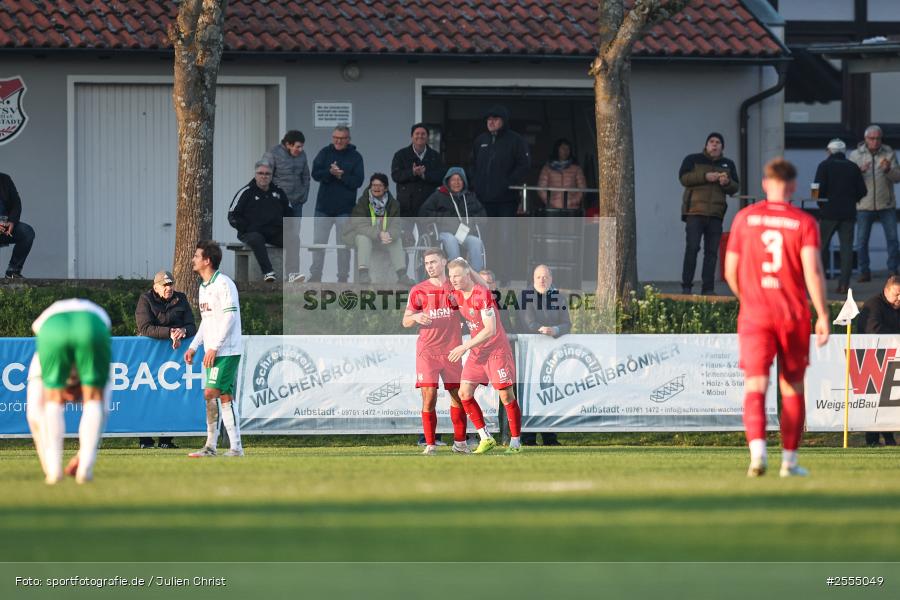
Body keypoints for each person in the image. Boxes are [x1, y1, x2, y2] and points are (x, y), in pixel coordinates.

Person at [724, 158, 829, 478]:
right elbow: (811, 270)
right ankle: (789, 462)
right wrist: (823, 313)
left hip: (756, 315)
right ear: (794, 185)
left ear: (765, 184)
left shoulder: (744, 218)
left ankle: (757, 454)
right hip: (792, 314)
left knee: (755, 384)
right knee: (792, 387)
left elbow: (729, 271)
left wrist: (751, 300)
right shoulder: (804, 222)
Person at [27, 298, 112, 484]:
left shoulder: (38, 361)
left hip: (53, 327)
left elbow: (34, 414)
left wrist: (49, 465)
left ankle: (54, 471)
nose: (73, 399)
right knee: (94, 399)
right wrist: (85, 456)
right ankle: (85, 471)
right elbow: (102, 410)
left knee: (53, 400)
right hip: (93, 325)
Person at [447, 257, 523, 454]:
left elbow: (490, 330)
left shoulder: (482, 294)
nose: (453, 279)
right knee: (464, 393)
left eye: (456, 276)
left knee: (506, 395)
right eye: (450, 276)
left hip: (496, 349)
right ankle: (485, 437)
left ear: (467, 275)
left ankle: (515, 442)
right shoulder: (457, 293)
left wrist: (464, 347)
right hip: (478, 351)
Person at [402, 247, 470, 455]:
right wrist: (415, 318)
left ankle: (460, 443)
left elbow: (472, 309)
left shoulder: (456, 287)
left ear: (444, 262)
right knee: (429, 396)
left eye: (433, 262)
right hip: (428, 351)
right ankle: (430, 444)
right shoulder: (418, 290)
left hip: (452, 351)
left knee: (458, 396)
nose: (429, 266)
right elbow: (405, 321)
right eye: (426, 263)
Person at [184, 241, 244, 458]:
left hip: (226, 350)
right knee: (225, 396)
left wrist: (214, 347)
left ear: (207, 260)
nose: (193, 259)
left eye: (197, 256)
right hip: (213, 350)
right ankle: (235, 448)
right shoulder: (203, 287)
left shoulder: (224, 284)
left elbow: (230, 317)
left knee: (211, 393)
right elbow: (207, 321)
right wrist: (193, 346)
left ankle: (211, 446)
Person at [134, 269, 198, 449]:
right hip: (149, 355)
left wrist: (183, 331)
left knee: (170, 395)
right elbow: (144, 327)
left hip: (173, 355)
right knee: (147, 394)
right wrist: (169, 332)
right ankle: (145, 440)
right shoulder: (146, 299)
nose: (169, 288)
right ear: (156, 287)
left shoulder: (181, 298)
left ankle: (166, 440)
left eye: (171, 284)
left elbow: (191, 325)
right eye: (165, 285)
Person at [470, 105, 530, 282]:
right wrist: (475, 184)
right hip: (482, 201)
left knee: (505, 240)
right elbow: (471, 164)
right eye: (488, 119)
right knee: (484, 239)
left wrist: (508, 182)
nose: (491, 122)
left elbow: (524, 165)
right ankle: (485, 275)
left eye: (495, 119)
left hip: (506, 201)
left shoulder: (515, 140)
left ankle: (505, 276)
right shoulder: (480, 140)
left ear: (503, 121)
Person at [679, 132, 740, 295]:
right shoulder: (693, 159)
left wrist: (727, 183)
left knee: (712, 252)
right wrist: (706, 176)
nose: (714, 144)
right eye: (711, 142)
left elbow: (736, 187)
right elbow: (684, 178)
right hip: (694, 212)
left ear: (722, 147)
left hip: (716, 214)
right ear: (706, 145)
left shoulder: (728, 164)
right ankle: (686, 286)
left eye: (718, 142)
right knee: (692, 248)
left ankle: (708, 289)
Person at [520, 264, 572, 446]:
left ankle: (550, 437)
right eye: (538, 277)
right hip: (530, 355)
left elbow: (567, 324)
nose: (542, 280)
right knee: (531, 395)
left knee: (550, 394)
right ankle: (528, 437)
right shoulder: (526, 296)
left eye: (545, 277)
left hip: (552, 355)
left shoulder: (558, 297)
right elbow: (528, 323)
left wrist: (556, 329)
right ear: (533, 279)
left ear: (551, 279)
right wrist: (542, 330)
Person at [309, 126, 365, 283]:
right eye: (335, 137)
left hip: (345, 209)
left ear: (348, 139)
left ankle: (342, 277)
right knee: (318, 244)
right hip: (323, 208)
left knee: (344, 246)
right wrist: (330, 173)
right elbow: (315, 174)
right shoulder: (324, 153)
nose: (338, 141)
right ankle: (315, 276)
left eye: (342, 138)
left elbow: (358, 181)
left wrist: (341, 175)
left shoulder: (356, 157)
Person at [814, 139, 868, 294]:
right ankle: (843, 284)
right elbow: (863, 191)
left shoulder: (824, 166)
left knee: (821, 247)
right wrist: (853, 200)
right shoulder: (853, 167)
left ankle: (820, 282)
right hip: (848, 213)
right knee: (847, 249)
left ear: (829, 151)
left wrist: (819, 202)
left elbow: (816, 187)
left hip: (828, 213)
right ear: (844, 152)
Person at [342, 173, 414, 285]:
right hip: (365, 237)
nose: (376, 188)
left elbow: (396, 226)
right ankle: (363, 274)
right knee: (363, 238)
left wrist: (389, 235)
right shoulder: (362, 202)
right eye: (374, 185)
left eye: (380, 185)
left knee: (397, 240)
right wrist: (379, 234)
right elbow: (360, 225)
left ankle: (402, 275)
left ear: (386, 188)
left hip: (383, 239)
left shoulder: (393, 204)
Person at [849, 125, 900, 282]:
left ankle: (893, 271)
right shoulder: (856, 155)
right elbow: (848, 180)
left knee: (892, 239)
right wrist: (859, 171)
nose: (875, 141)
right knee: (862, 241)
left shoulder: (888, 153)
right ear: (865, 139)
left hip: (886, 204)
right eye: (872, 138)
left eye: (878, 138)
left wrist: (888, 170)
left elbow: (897, 177)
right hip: (864, 205)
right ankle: (864, 271)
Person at [229, 161, 292, 282]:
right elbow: (232, 215)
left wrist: (287, 228)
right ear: (255, 174)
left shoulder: (279, 192)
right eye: (260, 173)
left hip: (273, 233)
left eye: (267, 173)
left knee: (293, 238)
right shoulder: (246, 192)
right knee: (256, 238)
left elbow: (290, 213)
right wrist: (246, 228)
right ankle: (268, 272)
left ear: (272, 175)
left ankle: (292, 273)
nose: (264, 176)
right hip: (250, 232)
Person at [263, 130, 310, 282]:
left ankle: (292, 273)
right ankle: (271, 273)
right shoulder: (272, 154)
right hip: (278, 204)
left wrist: (303, 196)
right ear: (288, 144)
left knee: (294, 237)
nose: (300, 150)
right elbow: (264, 176)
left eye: (302, 147)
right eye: (297, 147)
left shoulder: (302, 156)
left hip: (296, 204)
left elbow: (306, 176)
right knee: (276, 236)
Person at [419, 167, 487, 272]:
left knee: (476, 242)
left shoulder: (469, 196)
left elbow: (482, 215)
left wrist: (472, 220)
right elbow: (423, 213)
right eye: (453, 180)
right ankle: (456, 272)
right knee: (452, 240)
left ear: (464, 182)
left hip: (464, 233)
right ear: (448, 181)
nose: (457, 182)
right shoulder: (439, 195)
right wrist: (442, 217)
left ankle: (476, 274)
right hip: (445, 232)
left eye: (460, 179)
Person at [860, 275, 900, 446]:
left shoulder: (895, 306)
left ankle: (889, 437)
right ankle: (872, 439)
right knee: (875, 402)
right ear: (886, 290)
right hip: (872, 358)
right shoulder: (873, 304)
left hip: (892, 358)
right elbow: (873, 329)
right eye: (896, 294)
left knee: (889, 401)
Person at [391, 123, 446, 242]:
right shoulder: (401, 155)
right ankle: (402, 261)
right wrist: (412, 172)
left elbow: (441, 177)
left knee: (428, 242)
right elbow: (395, 175)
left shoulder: (435, 156)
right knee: (403, 242)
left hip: (427, 206)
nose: (420, 136)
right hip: (406, 207)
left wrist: (425, 175)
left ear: (427, 137)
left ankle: (425, 261)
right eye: (417, 134)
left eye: (423, 134)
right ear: (412, 136)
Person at [0, 172, 36, 279]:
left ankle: (13, 271)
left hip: (5, 225)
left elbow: (16, 203)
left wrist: (12, 222)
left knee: (27, 232)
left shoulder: (4, 179)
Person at [537, 138, 587, 210]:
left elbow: (582, 188)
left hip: (572, 209)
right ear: (557, 149)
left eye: (568, 149)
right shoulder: (547, 168)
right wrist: (550, 202)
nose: (565, 151)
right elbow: (541, 188)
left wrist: (573, 201)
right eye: (563, 148)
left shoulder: (576, 169)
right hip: (552, 209)